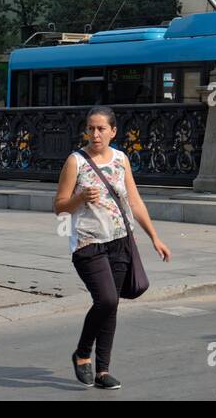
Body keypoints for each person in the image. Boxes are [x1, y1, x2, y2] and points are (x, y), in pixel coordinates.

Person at [54, 106, 171, 390]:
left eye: (101, 128)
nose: (95, 134)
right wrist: (80, 198)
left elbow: (135, 201)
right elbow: (59, 206)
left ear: (113, 131)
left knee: (112, 306)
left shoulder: (121, 159)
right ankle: (83, 354)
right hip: (88, 243)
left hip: (120, 241)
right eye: (91, 128)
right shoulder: (76, 161)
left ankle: (103, 371)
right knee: (106, 299)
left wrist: (155, 236)